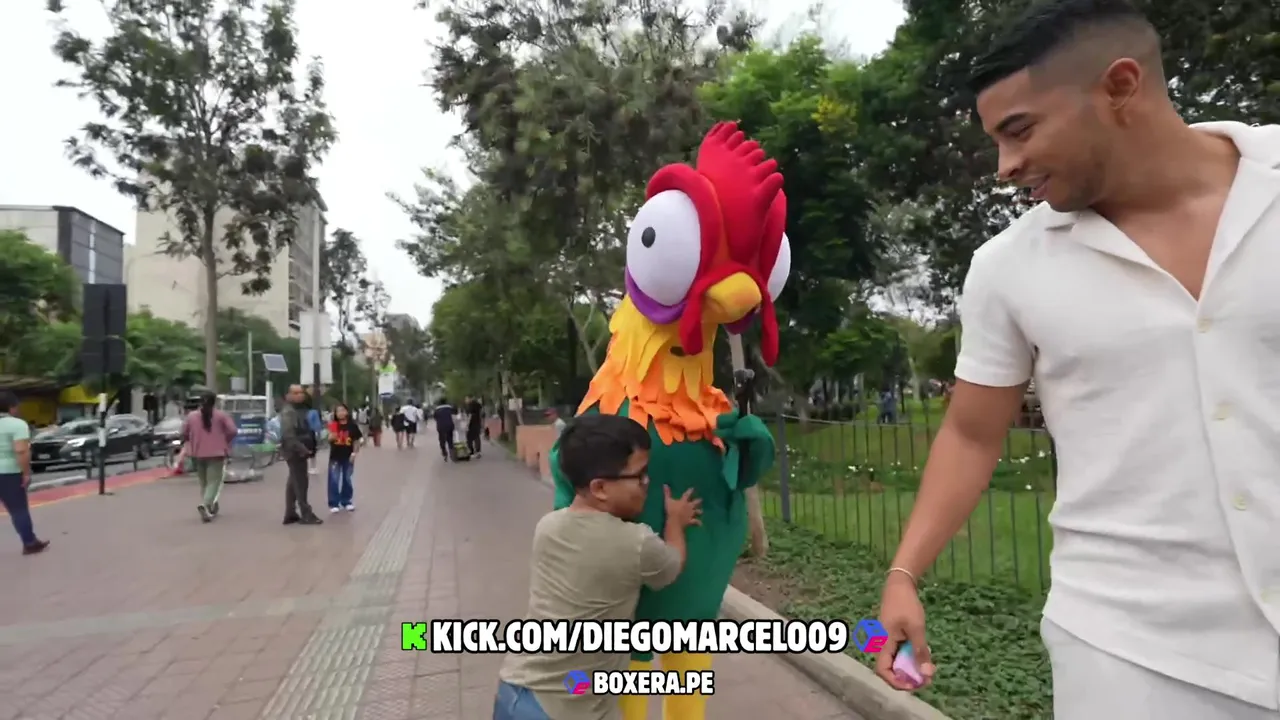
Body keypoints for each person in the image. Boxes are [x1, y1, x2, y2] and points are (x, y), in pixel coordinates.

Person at [874, 2, 1280, 719]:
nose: (1005, 167)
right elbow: (971, 433)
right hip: (1126, 650)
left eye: (1020, 130)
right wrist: (903, 574)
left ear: (1120, 86)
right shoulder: (1007, 268)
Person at [495, 413, 700, 720]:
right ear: (600, 488)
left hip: (516, 686)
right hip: (561, 710)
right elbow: (671, 565)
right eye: (640, 476)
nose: (647, 483)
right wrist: (675, 521)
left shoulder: (548, 526)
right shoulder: (635, 543)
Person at [0, 392, 48, 555]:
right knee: (18, 510)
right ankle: (30, 543)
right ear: (11, 407)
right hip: (9, 473)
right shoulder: (17, 425)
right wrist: (26, 473)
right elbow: (21, 451)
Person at [181, 391, 238, 522]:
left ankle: (209, 506)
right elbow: (233, 430)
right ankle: (206, 504)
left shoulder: (191, 416)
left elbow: (184, 432)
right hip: (217, 453)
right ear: (215, 402)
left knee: (204, 482)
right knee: (214, 482)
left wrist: (191, 440)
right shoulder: (221, 416)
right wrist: (225, 440)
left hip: (197, 453)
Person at [279, 385, 322, 525]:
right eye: (295, 393)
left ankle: (290, 512)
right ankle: (306, 513)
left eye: (301, 393)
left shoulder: (298, 409)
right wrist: (303, 449)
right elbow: (289, 435)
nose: (299, 395)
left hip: (297, 450)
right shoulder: (289, 412)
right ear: (288, 395)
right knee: (301, 482)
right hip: (295, 451)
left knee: (294, 481)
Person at [326, 403, 363, 513]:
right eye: (338, 411)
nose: (341, 413)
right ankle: (334, 503)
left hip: (348, 456)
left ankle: (346, 501)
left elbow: (356, 441)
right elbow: (328, 439)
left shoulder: (352, 426)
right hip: (335, 456)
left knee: (347, 479)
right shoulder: (333, 425)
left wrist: (354, 453)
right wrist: (331, 436)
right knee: (334, 479)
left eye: (343, 410)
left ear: (347, 412)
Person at [305, 396, 324, 474]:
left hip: (304, 433)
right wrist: (319, 435)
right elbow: (317, 425)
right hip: (310, 433)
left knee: (306, 451)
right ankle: (312, 467)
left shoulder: (302, 412)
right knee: (312, 451)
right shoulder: (314, 412)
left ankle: (309, 467)